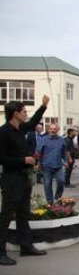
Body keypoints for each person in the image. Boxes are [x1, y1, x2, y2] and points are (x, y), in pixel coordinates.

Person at [0, 96, 50, 265]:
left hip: (24, 178)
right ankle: (0, 252)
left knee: (23, 214)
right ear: (15, 114)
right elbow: (2, 158)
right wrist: (23, 160)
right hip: (11, 179)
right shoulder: (4, 132)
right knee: (6, 216)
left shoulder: (21, 129)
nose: (26, 114)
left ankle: (26, 246)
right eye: (24, 112)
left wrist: (43, 106)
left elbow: (33, 122)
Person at [38, 124, 68, 204]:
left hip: (58, 165)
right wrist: (38, 164)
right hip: (46, 165)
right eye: (51, 129)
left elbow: (64, 152)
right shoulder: (43, 139)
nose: (52, 130)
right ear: (48, 130)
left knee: (61, 181)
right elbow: (39, 152)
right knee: (47, 184)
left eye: (54, 129)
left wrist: (65, 161)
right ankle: (49, 201)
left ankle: (57, 197)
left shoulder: (61, 140)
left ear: (57, 130)